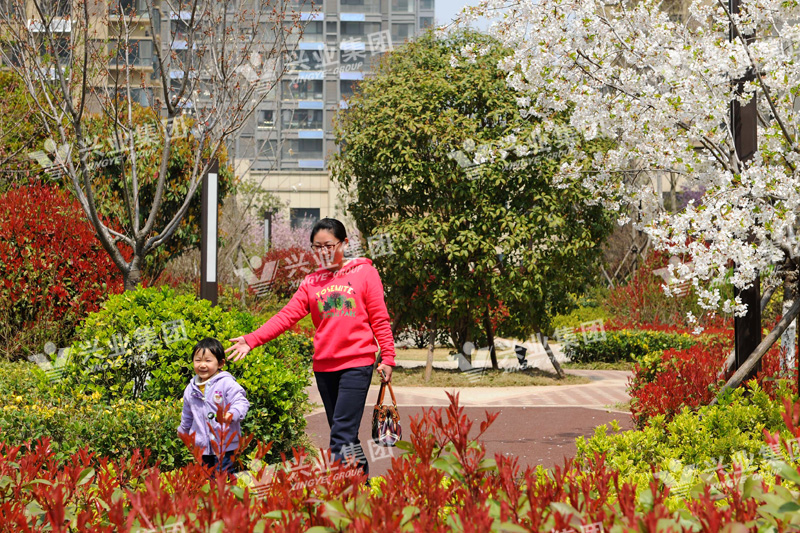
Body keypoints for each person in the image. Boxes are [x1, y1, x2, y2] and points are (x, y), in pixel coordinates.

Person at [226, 218, 396, 481]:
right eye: (317, 247)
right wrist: (252, 339)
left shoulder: (365, 273)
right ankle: (362, 484)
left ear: (344, 244)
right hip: (324, 367)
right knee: (345, 433)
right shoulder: (311, 282)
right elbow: (286, 316)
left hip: (356, 364)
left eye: (329, 245)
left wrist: (388, 357)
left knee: (340, 433)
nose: (323, 252)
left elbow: (379, 318)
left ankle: (337, 489)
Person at [178, 337, 250, 477]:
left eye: (208, 361)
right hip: (202, 447)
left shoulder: (226, 383)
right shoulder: (191, 389)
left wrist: (232, 414)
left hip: (224, 445)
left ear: (221, 363)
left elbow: (241, 401)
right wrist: (183, 431)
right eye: (198, 360)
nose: (202, 365)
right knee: (206, 478)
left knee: (223, 478)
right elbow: (187, 414)